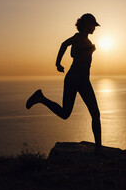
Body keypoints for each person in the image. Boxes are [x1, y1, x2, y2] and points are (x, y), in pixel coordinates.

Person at [26, 13, 102, 152]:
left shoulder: (81, 38)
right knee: (95, 114)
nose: (95, 28)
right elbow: (73, 53)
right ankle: (98, 150)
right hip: (80, 79)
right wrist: (90, 50)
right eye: (93, 25)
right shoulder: (80, 38)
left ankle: (41, 98)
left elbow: (69, 49)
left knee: (65, 113)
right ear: (87, 25)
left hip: (72, 78)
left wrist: (58, 63)